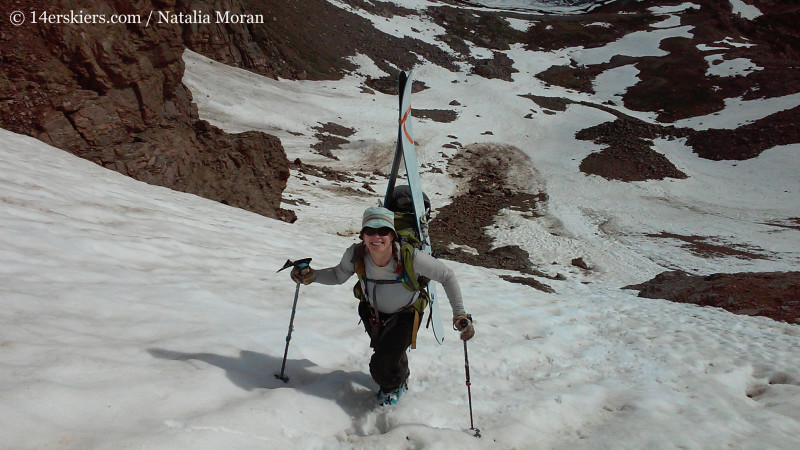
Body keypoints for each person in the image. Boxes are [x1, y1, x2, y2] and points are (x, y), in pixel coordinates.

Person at [289, 206, 474, 405]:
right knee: (389, 353)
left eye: (383, 231)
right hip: (371, 313)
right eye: (370, 230)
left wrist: (459, 313)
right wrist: (312, 276)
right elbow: (337, 275)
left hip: (406, 315)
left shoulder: (411, 257)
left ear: (392, 235)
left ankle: (393, 387)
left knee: (381, 364)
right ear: (362, 235)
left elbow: (447, 276)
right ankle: (399, 372)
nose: (376, 236)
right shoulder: (355, 255)